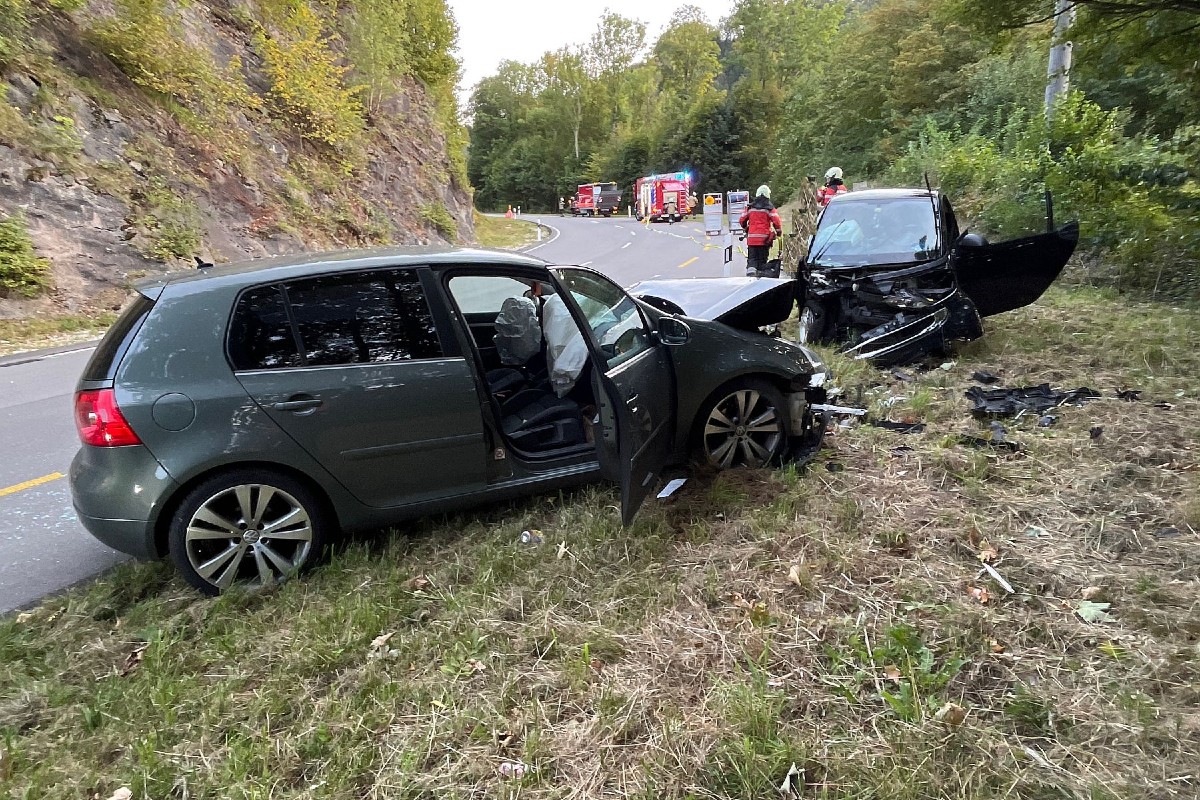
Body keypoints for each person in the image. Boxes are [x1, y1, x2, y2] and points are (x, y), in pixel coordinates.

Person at [738, 184, 783, 277]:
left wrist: (746, 229)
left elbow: (742, 220)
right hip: (764, 240)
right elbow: (776, 221)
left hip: (752, 240)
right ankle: (760, 277)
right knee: (762, 260)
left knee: (752, 259)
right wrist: (778, 232)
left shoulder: (750, 207)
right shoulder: (769, 208)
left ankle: (751, 274)